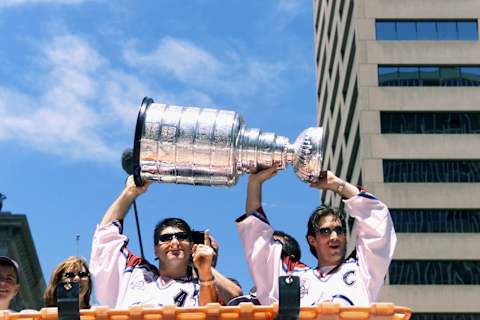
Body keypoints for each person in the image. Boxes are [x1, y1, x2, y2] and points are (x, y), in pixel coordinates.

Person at [237, 165, 396, 306]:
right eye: (326, 231)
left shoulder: (363, 271)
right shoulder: (293, 279)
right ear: (312, 240)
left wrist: (337, 185)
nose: (334, 236)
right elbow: (258, 245)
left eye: (339, 230)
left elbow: (377, 223)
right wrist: (254, 183)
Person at [90, 176, 217, 308]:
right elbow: (105, 239)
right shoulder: (134, 272)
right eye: (166, 238)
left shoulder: (199, 288)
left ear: (192, 247)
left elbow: (209, 313)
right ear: (155, 249)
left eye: (181, 236)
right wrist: (130, 192)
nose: (174, 242)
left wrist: (205, 271)